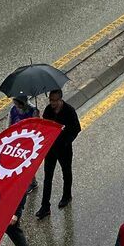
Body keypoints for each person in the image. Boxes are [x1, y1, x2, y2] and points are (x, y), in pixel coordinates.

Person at [37, 88, 81, 217]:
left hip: (64, 149)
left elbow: (76, 129)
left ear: (61, 99)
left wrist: (66, 141)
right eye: (51, 100)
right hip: (50, 149)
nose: (53, 103)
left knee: (66, 172)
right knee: (47, 177)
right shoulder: (48, 110)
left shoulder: (69, 111)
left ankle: (67, 195)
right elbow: (45, 127)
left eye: (55, 100)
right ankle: (45, 206)